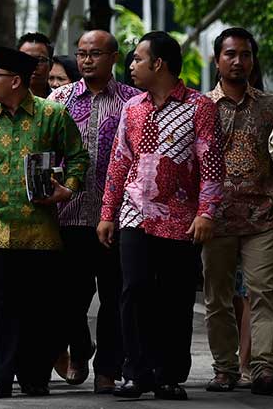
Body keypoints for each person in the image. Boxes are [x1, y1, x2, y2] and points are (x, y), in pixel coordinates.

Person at [97, 31, 224, 400]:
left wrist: (206, 213)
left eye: (138, 59)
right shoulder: (132, 107)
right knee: (133, 290)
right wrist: (108, 213)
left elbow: (211, 165)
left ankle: (168, 375)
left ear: (159, 64)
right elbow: (119, 162)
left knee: (176, 297)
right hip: (134, 214)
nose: (131, 65)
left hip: (180, 218)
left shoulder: (200, 107)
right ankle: (135, 373)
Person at [0, 46, 89, 400]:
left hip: (40, 230)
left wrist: (67, 189)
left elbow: (78, 156)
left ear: (15, 81)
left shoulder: (52, 114)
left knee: (39, 306)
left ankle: (34, 375)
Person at [47, 31, 140, 394]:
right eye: (82, 53)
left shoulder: (133, 101)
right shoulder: (59, 100)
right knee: (69, 298)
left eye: (95, 53)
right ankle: (80, 347)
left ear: (114, 57)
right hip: (68, 215)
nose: (86, 60)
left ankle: (107, 369)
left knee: (115, 296)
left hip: (116, 217)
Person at [200, 28, 273, 394]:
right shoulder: (201, 106)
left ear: (253, 60)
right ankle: (224, 368)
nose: (238, 61)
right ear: (217, 59)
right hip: (216, 220)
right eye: (231, 54)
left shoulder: (271, 105)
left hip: (262, 219)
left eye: (246, 55)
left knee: (264, 293)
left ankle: (264, 368)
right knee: (217, 299)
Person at [17, 32, 53, 98]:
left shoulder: (61, 100)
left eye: (40, 60)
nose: (33, 65)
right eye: (26, 59)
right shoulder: (4, 99)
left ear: (51, 65)